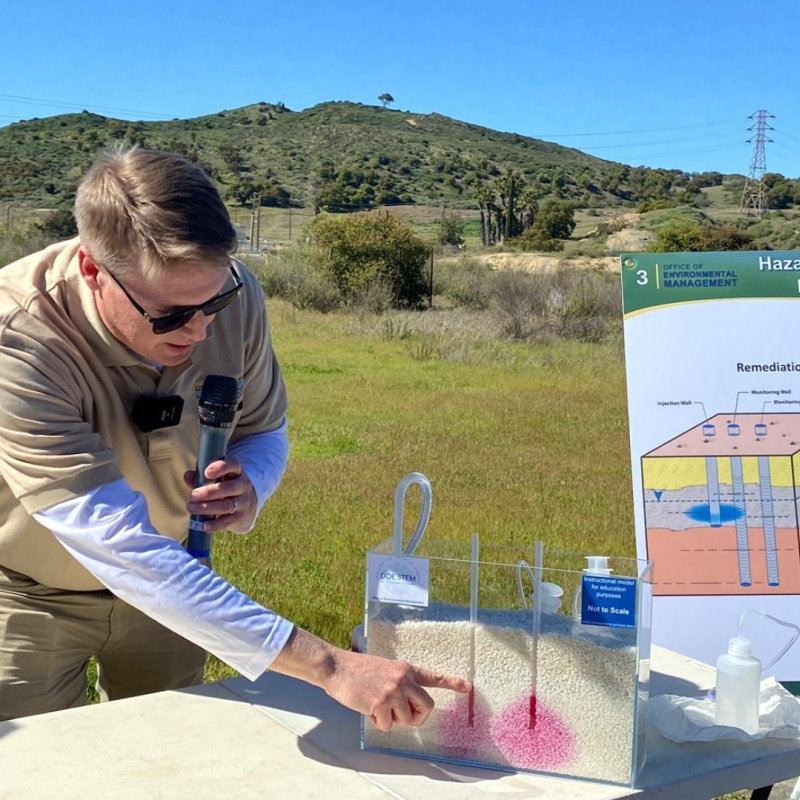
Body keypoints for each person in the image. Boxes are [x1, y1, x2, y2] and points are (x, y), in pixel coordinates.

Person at [0, 145, 470, 727]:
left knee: (166, 756)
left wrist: (254, 482)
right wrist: (329, 665)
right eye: (171, 315)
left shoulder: (237, 294)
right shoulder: (17, 337)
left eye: (214, 301)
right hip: (29, 594)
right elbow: (118, 547)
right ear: (95, 272)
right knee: (36, 772)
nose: (200, 329)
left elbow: (266, 428)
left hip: (180, 582)